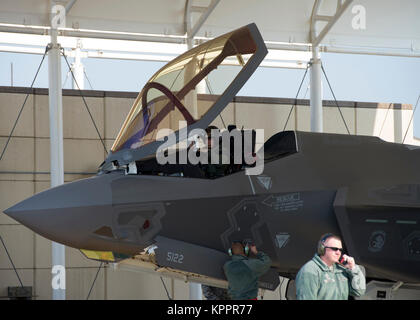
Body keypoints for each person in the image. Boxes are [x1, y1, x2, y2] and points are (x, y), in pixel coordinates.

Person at [295, 233, 366, 300]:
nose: (338, 252)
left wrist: (353, 269)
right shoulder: (310, 271)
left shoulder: (341, 270)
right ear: (322, 249)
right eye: (334, 249)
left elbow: (359, 292)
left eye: (340, 250)